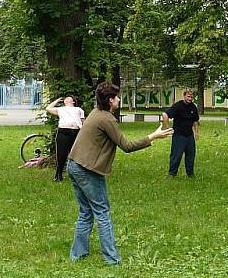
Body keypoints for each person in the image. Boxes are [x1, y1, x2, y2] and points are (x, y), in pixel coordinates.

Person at [67, 82, 173, 265]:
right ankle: (112, 260)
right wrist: (153, 136)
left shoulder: (96, 113)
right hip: (87, 169)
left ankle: (78, 255)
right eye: (116, 96)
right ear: (110, 100)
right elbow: (127, 146)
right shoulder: (107, 119)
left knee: (86, 212)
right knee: (102, 213)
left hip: (74, 164)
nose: (118, 99)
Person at [46, 95, 85, 182]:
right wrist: (57, 100)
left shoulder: (78, 109)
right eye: (65, 98)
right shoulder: (61, 109)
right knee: (61, 154)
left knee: (76, 154)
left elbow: (84, 122)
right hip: (63, 132)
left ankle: (77, 174)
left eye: (69, 98)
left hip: (76, 132)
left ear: (73, 101)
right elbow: (48, 108)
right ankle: (58, 175)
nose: (66, 99)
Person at [162, 89, 200, 178]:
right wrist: (168, 128)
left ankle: (190, 174)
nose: (190, 99)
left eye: (192, 97)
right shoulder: (178, 106)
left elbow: (195, 121)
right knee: (176, 155)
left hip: (189, 136)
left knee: (191, 155)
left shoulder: (193, 107)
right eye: (188, 96)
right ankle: (172, 173)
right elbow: (165, 115)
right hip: (179, 135)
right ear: (184, 96)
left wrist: (196, 133)